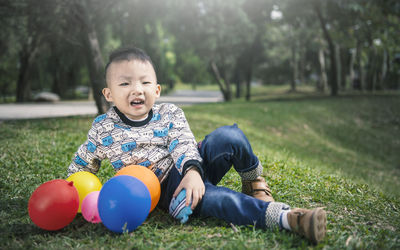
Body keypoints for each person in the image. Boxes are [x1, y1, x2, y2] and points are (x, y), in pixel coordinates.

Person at [67, 46, 327, 244]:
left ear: (156, 90)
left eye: (145, 82)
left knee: (229, 136)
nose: (137, 90)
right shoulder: (103, 127)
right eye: (125, 83)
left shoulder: (169, 113)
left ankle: (254, 182)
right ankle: (289, 218)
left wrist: (192, 172)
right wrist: (74, 192)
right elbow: (83, 163)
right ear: (108, 93)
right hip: (166, 190)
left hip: (190, 163)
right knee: (216, 199)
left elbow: (183, 142)